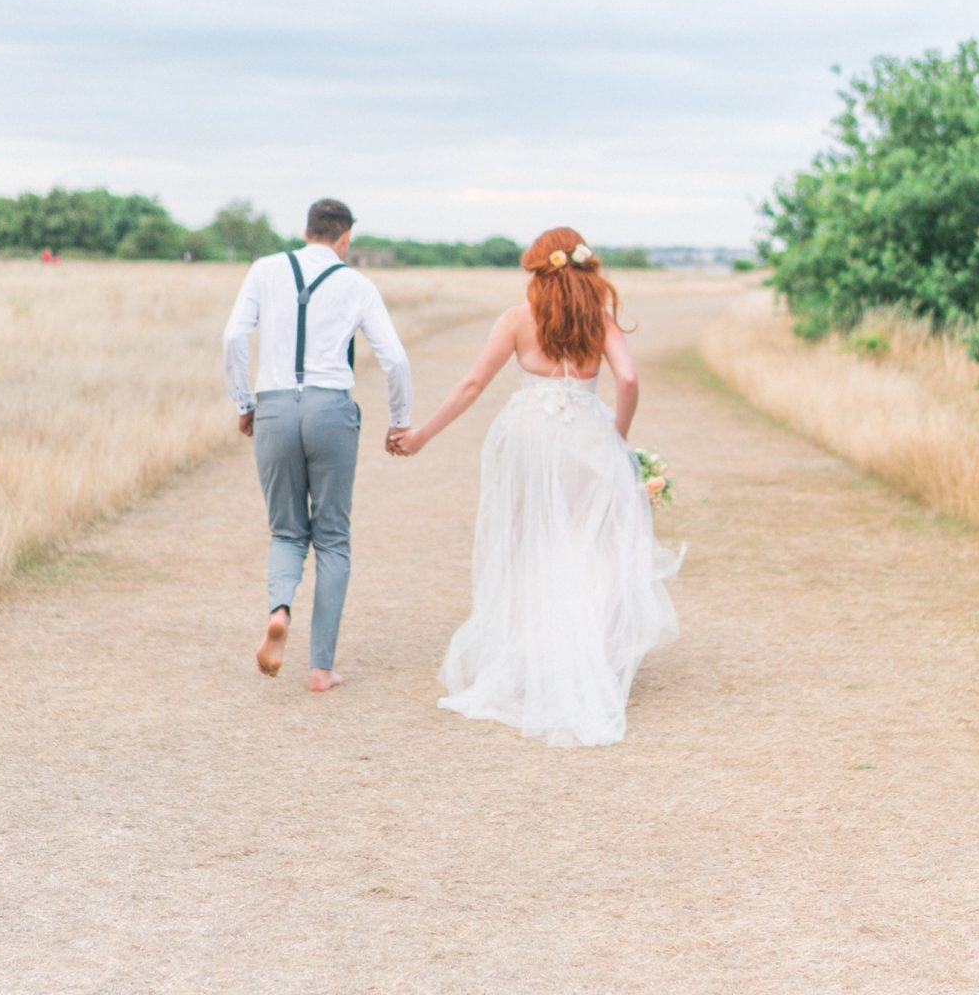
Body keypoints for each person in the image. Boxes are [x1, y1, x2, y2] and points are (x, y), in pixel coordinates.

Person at [388, 227, 680, 746]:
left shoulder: (518, 320)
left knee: (530, 546)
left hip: (526, 439)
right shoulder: (601, 320)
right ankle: (582, 656)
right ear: (586, 267)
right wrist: (619, 440)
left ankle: (533, 657)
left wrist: (423, 435)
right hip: (587, 438)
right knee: (591, 545)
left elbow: (473, 384)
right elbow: (629, 381)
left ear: (537, 268)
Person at [223, 196, 412, 690]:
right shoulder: (357, 283)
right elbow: (395, 359)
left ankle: (280, 610)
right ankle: (322, 668)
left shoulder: (264, 269)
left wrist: (246, 403)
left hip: (276, 406)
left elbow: (232, 338)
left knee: (286, 531)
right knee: (332, 537)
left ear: (307, 231)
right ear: (344, 238)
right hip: (331, 408)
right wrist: (399, 420)